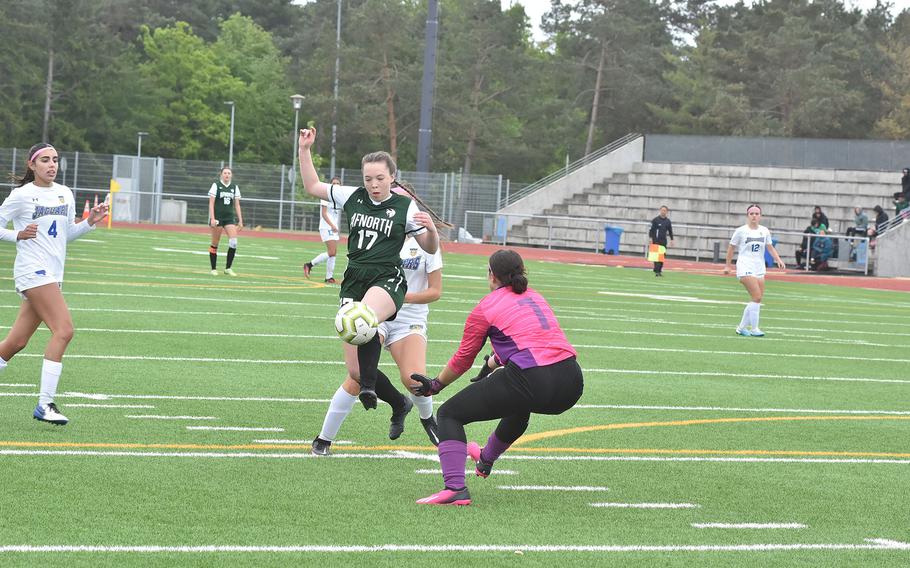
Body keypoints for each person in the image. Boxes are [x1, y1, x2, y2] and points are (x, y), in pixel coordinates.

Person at [409, 249, 583, 506]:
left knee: (449, 414)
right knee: (518, 403)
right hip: (571, 381)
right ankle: (485, 459)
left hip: (533, 379)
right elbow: (530, 342)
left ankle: (455, 488)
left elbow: (463, 359)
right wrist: (491, 365)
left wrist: (436, 384)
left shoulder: (485, 308)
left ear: (491, 275)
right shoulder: (535, 297)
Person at [297, 127, 439, 418]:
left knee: (363, 316)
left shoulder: (404, 206)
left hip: (387, 278)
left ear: (392, 177)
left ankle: (369, 388)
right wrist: (304, 149)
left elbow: (428, 245)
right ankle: (398, 403)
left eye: (380, 178)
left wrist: (432, 230)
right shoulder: (353, 196)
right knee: (355, 369)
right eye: (368, 178)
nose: (374, 184)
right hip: (355, 280)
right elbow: (312, 186)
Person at [0, 143, 109, 425]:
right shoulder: (21, 195)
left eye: (55, 160)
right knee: (64, 330)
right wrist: (17, 235)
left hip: (52, 275)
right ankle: (45, 404)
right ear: (31, 165)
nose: (52, 165)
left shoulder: (65, 193)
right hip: (32, 272)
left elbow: (65, 235)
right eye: (45, 160)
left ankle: (45, 403)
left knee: (15, 343)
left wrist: (90, 222)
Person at [311, 235, 444, 455]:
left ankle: (428, 418)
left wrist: (398, 296)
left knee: (414, 380)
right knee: (357, 375)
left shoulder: (425, 242)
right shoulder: (377, 235)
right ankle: (324, 439)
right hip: (376, 315)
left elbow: (435, 291)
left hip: (409, 320)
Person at [724, 204, 785, 337]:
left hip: (759, 267)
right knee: (756, 296)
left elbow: (770, 247)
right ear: (747, 215)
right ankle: (755, 328)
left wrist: (778, 259)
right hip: (745, 266)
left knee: (756, 299)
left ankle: (741, 328)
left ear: (760, 216)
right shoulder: (741, 231)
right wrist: (728, 266)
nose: (754, 216)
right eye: (751, 213)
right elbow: (731, 248)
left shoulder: (764, 230)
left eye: (757, 214)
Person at [304, 176, 343, 284]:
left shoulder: (339, 197)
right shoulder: (326, 195)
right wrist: (332, 225)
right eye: (334, 183)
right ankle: (309, 264)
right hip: (327, 227)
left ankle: (329, 277)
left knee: (333, 253)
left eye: (338, 183)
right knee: (331, 252)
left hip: (334, 227)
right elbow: (324, 214)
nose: (335, 185)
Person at [207, 166, 243, 276]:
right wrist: (212, 218)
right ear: (221, 174)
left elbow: (237, 205)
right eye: (225, 173)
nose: (227, 175)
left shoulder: (234, 187)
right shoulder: (216, 185)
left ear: (231, 175)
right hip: (217, 218)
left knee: (234, 242)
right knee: (215, 243)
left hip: (229, 218)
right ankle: (213, 268)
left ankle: (228, 268)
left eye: (229, 173)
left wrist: (240, 220)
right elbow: (211, 203)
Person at [648, 205, 674, 277]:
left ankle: (659, 270)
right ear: (660, 211)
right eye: (662, 210)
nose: (663, 212)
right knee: (656, 257)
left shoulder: (668, 221)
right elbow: (651, 230)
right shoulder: (655, 220)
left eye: (665, 210)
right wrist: (650, 238)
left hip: (663, 242)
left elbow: (670, 231)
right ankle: (657, 271)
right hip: (656, 241)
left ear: (667, 212)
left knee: (662, 257)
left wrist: (672, 239)